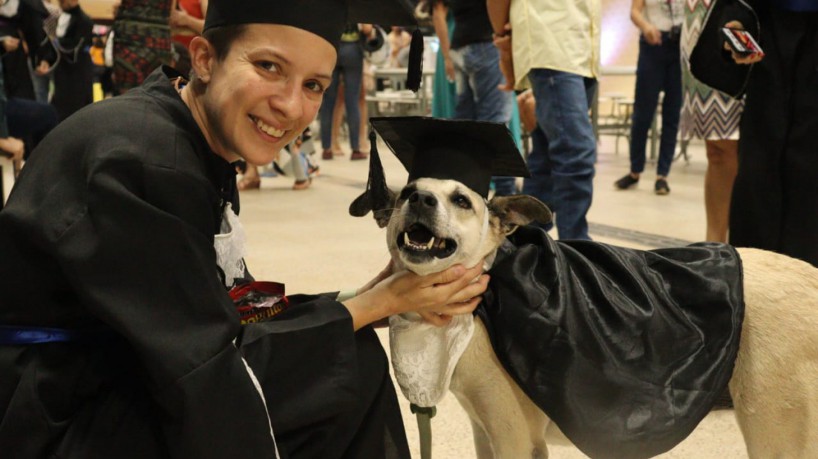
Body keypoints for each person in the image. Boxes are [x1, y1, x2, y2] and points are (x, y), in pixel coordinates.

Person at [0, 0, 489, 457]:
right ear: (205, 59)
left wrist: (359, 298)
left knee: (342, 350)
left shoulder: (183, 135)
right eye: (269, 67)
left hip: (108, 363)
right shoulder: (145, 162)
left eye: (314, 86)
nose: (291, 106)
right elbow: (203, 361)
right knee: (341, 371)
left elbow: (215, 305)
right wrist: (380, 304)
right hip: (55, 413)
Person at [486, 0, 600, 240]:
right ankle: (577, 252)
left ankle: (526, 248)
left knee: (548, 157)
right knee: (576, 152)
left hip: (585, 48)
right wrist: (502, 35)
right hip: (550, 42)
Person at [431, 0, 516, 196]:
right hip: (487, 44)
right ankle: (506, 196)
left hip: (460, 45)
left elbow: (439, 11)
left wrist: (446, 56)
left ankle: (462, 191)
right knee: (495, 124)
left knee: (465, 125)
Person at [680, 0, 743, 242]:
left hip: (740, 16)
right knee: (716, 149)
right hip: (697, 24)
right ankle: (715, 246)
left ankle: (750, 244)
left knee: (748, 149)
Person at [614, 0, 684, 196]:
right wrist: (646, 26)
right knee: (642, 115)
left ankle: (663, 176)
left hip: (679, 45)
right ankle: (635, 171)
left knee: (672, 115)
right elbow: (635, 11)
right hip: (653, 45)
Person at [319, 22, 373, 161]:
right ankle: (355, 149)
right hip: (353, 50)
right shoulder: (357, 5)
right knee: (352, 101)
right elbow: (367, 28)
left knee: (327, 102)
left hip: (332, 47)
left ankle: (327, 149)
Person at [41, 0, 95, 121]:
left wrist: (55, 42)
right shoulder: (60, 16)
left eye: (63, 1)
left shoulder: (85, 21)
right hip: (63, 69)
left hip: (77, 70)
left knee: (75, 108)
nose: (60, 3)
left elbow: (74, 47)